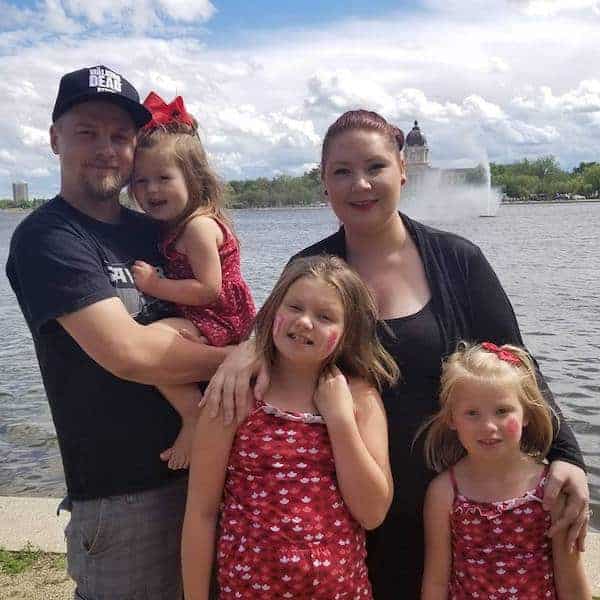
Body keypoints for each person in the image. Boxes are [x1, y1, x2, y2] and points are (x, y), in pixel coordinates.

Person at [200, 109, 590, 598]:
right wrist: (246, 349)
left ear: (403, 169)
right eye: (342, 171)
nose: (360, 184)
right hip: (341, 515)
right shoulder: (308, 269)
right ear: (324, 183)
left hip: (446, 505)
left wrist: (566, 455)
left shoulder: (458, 261)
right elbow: (273, 345)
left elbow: (517, 364)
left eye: (375, 167)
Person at [6, 66, 230, 599]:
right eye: (88, 132)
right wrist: (242, 358)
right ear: (55, 138)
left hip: (214, 471)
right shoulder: (49, 238)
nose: (106, 149)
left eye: (120, 135)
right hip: (125, 498)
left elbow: (219, 295)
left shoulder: (158, 230)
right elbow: (131, 355)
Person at [182, 255, 399, 599]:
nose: (305, 322)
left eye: (325, 317)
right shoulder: (236, 394)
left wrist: (340, 420)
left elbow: (372, 513)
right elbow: (201, 512)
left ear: (347, 333)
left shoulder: (360, 398)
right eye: (295, 307)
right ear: (273, 311)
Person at [130, 91, 255, 470]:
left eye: (163, 178)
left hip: (219, 317)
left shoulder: (199, 227)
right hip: (204, 316)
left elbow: (208, 289)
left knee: (147, 344)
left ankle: (193, 414)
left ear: (194, 179)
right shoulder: (174, 226)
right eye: (140, 181)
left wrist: (154, 286)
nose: (151, 190)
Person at [420, 341, 591, 599]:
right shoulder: (445, 491)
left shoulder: (551, 490)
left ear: (527, 414)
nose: (489, 426)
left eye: (502, 411)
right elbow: (436, 582)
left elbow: (571, 582)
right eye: (472, 413)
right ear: (451, 419)